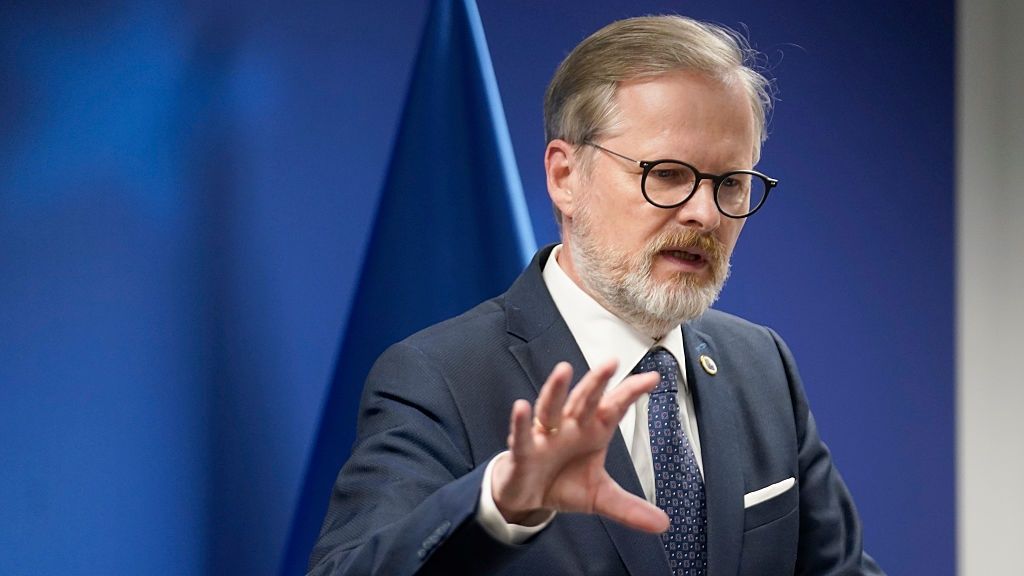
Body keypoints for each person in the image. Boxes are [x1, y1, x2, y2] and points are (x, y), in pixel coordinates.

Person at [308, 15, 884, 576]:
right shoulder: (440, 378)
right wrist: (503, 507)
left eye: (730, 183)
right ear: (564, 177)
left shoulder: (762, 365)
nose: (706, 213)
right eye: (667, 174)